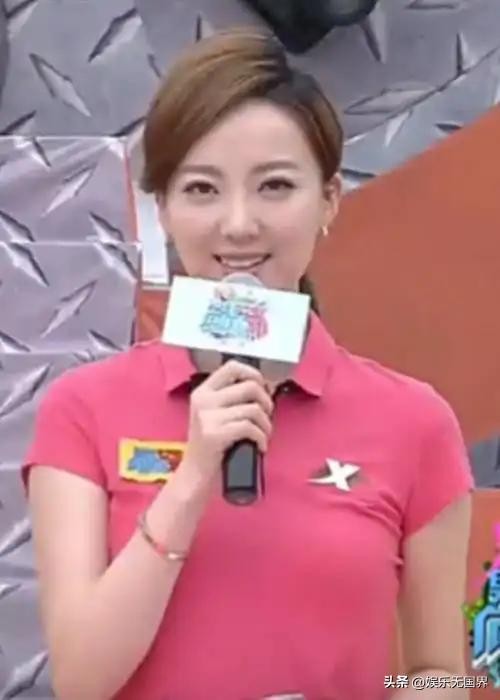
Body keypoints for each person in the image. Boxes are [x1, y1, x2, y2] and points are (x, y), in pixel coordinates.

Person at [22, 28, 474, 700]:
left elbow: (436, 670)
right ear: (163, 209)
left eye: (275, 187)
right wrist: (192, 478)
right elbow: (82, 681)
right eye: (202, 189)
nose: (238, 225)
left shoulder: (415, 422)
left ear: (328, 200)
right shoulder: (83, 409)